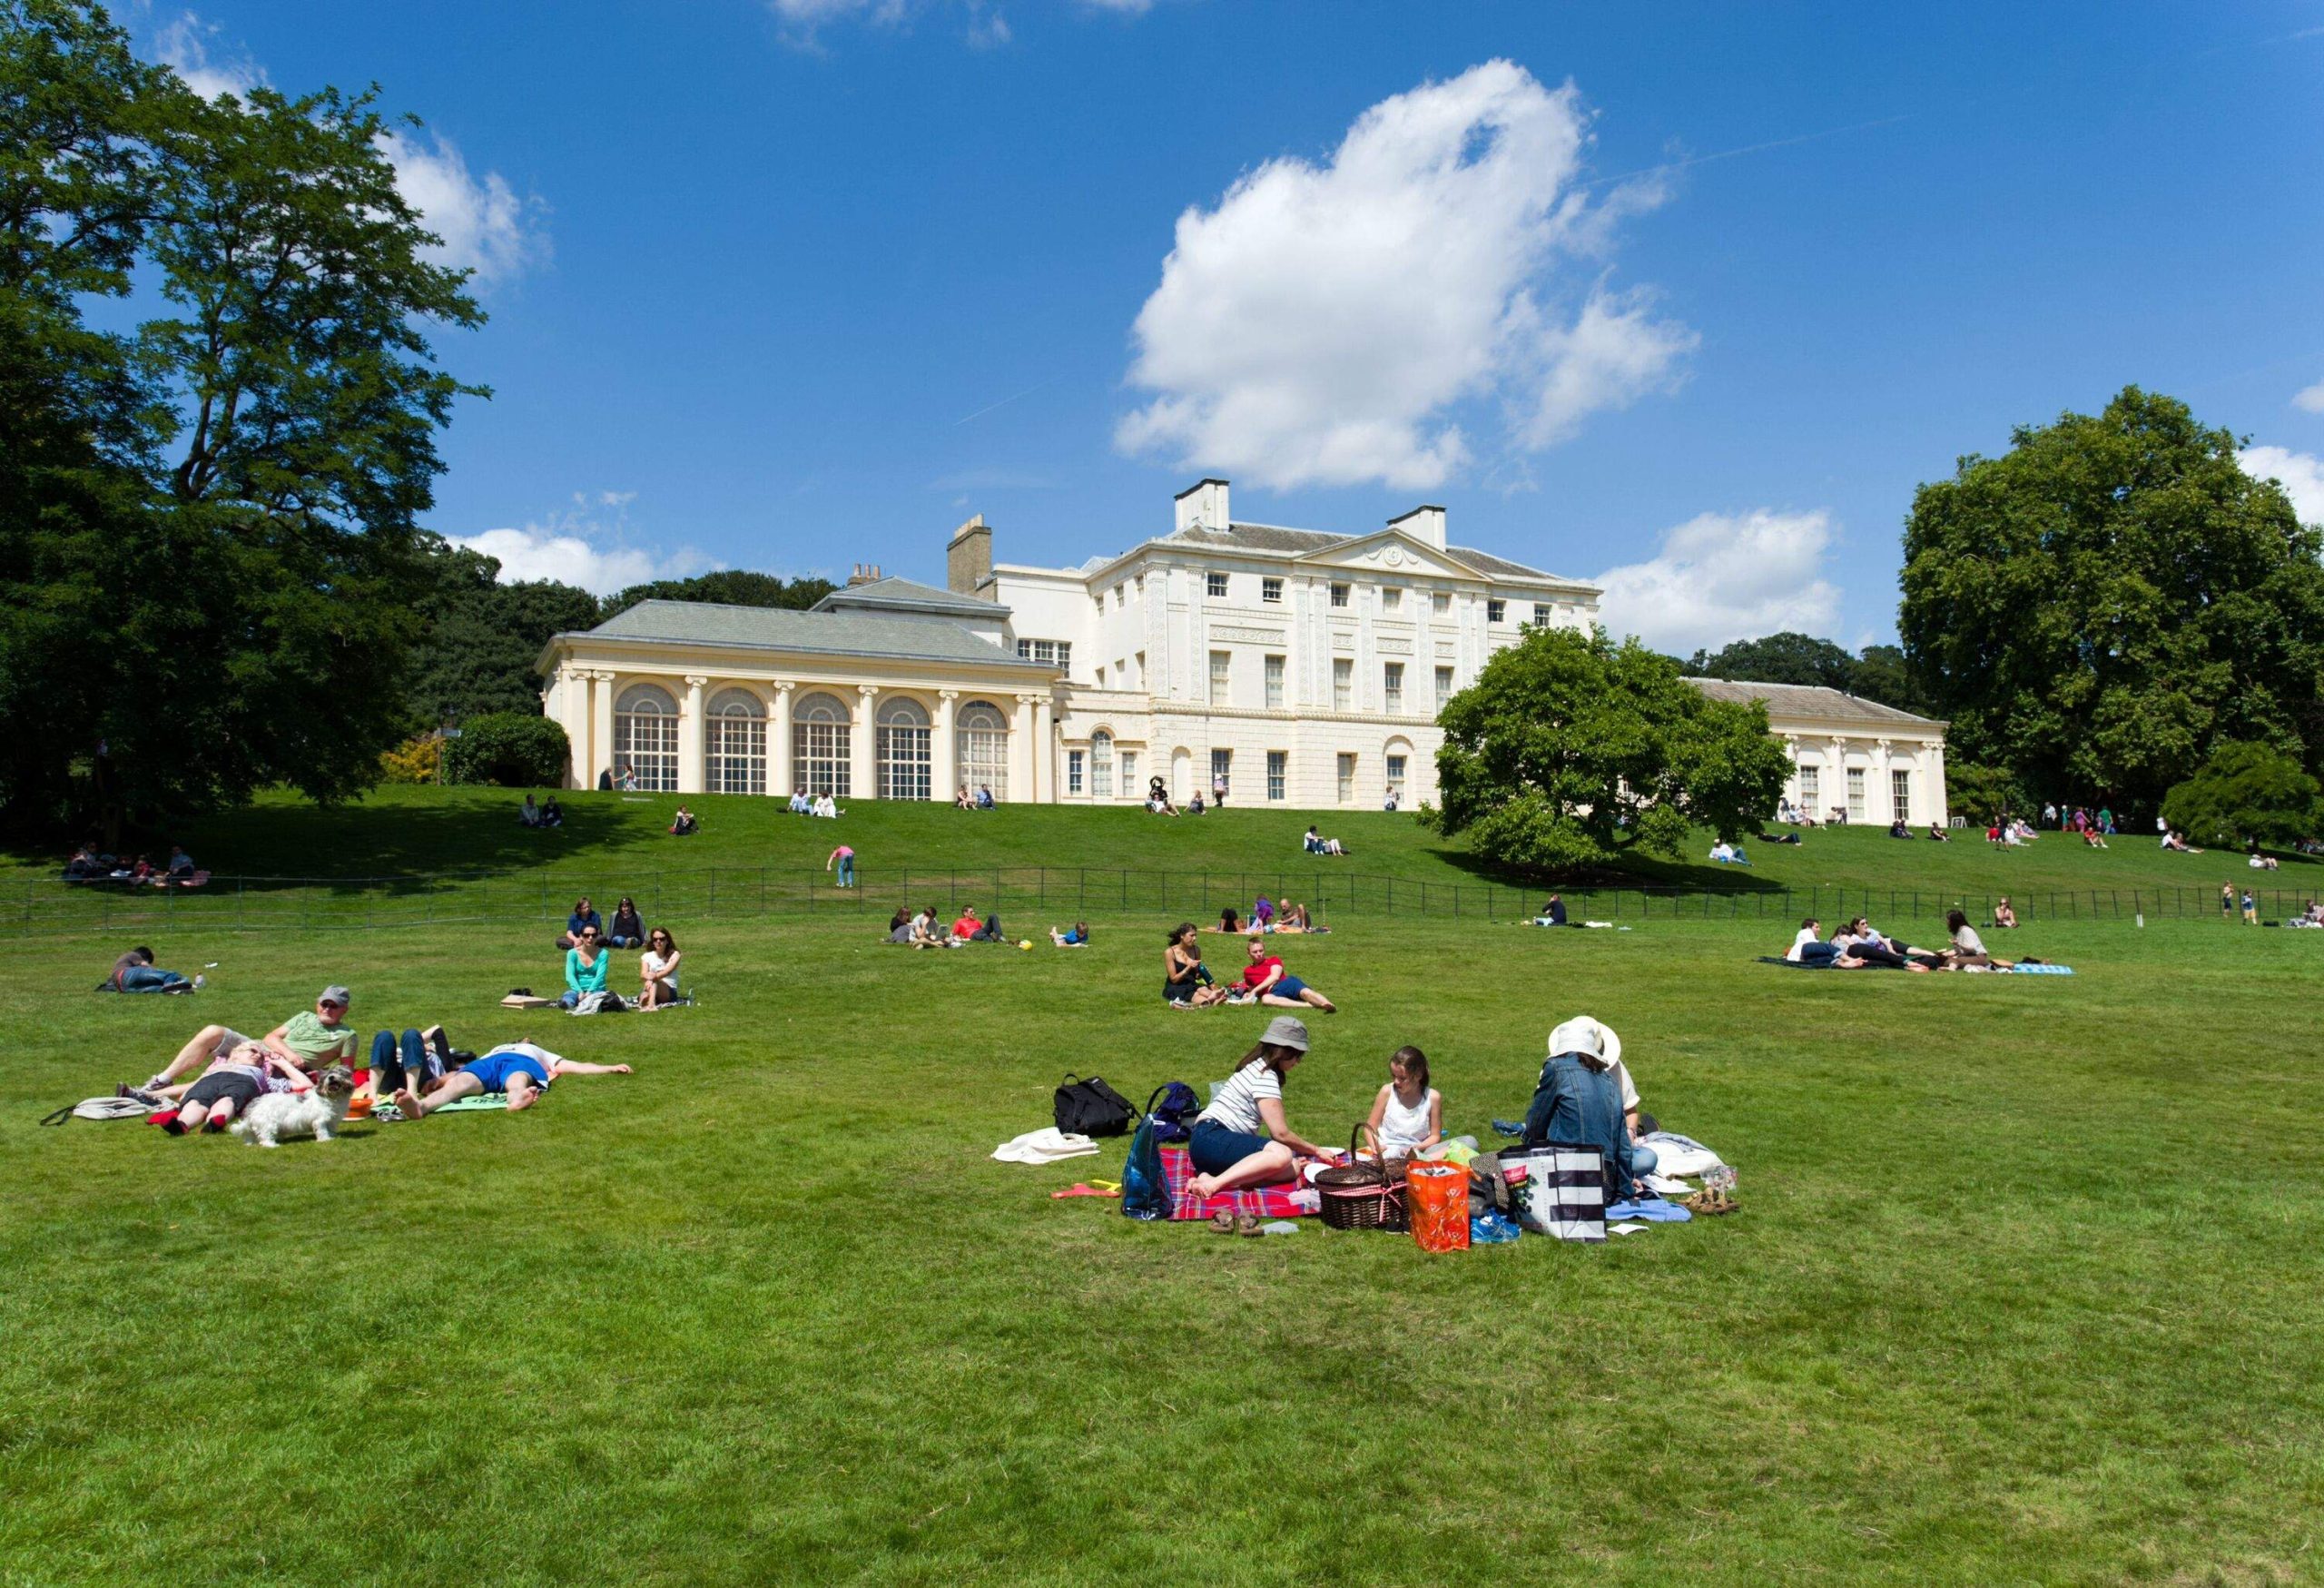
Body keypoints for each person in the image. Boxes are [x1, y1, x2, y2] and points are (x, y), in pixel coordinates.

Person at [1185, 1017, 1341, 1201]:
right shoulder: (1265, 1076)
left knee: (1291, 1168)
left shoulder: (1255, 1067)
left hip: (1206, 1147)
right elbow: (1280, 1133)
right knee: (1282, 1154)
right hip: (1212, 1137)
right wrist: (1316, 1150)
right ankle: (1213, 1185)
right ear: (1285, 1051)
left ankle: (1208, 1178)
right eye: (1298, 1055)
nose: (1298, 1062)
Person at [142, 985, 359, 1092]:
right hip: (260, 1048)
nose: (327, 1009)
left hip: (280, 1066)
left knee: (218, 1078)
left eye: (334, 1006)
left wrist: (315, 1073)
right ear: (318, 1004)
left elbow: (346, 1071)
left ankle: (153, 1094)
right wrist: (289, 1052)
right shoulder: (304, 1017)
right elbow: (271, 1036)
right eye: (325, 1004)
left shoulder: (347, 1036)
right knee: (213, 1031)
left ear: (344, 1010)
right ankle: (162, 1079)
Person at [1522, 1017, 1647, 1200]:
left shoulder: (1556, 1069)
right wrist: (1625, 1191)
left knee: (1485, 1164)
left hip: (1563, 1179)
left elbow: (1535, 1125)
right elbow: (1623, 1150)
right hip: (1603, 1190)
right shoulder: (1610, 1083)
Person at [396, 1041, 632, 1118]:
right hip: (488, 1063)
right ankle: (420, 1107)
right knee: (461, 1083)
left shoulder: (537, 1051)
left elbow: (576, 1066)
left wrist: (608, 1067)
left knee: (517, 1079)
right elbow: (459, 1073)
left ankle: (518, 1098)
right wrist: (438, 1080)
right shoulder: (496, 1047)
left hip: (521, 1063)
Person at [160, 1041, 316, 1135]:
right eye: (253, 1051)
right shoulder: (217, 1065)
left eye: (261, 1057)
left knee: (228, 1100)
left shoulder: (263, 1076)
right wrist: (186, 1096)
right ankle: (181, 1125)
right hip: (210, 1079)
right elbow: (198, 1082)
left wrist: (283, 1064)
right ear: (235, 1054)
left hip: (244, 1081)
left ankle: (213, 1123)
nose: (258, 1056)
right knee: (194, 1103)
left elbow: (306, 1085)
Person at [1364, 1045, 1443, 1162]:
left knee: (1469, 1142)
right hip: (1387, 1150)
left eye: (1402, 1078)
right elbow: (1369, 1128)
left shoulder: (1433, 1097)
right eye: (1393, 1075)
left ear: (1418, 1075)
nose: (1396, 1081)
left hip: (1417, 1151)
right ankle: (1420, 1165)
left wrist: (1417, 1148)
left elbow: (1435, 1136)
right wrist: (1376, 1147)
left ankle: (1419, 1161)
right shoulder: (1387, 1091)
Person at [1233, 934, 1335, 1011]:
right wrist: (1248, 993)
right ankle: (1308, 1005)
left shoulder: (1274, 960)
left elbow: (1275, 977)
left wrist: (1254, 991)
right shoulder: (1248, 971)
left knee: (1306, 993)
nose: (1259, 954)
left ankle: (1327, 1004)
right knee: (1265, 999)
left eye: (1261, 950)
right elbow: (1251, 987)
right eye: (1255, 952)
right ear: (1248, 954)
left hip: (1286, 983)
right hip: (1273, 993)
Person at [1164, 923, 1227, 1006]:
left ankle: (1218, 997)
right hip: (1177, 986)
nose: (1194, 938)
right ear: (1182, 936)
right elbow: (1174, 979)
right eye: (1191, 935)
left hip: (1191, 984)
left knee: (1202, 989)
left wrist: (1202, 973)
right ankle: (1211, 1001)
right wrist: (1188, 967)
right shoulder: (1170, 952)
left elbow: (1196, 975)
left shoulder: (1196, 950)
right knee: (1197, 996)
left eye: (1195, 935)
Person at [106, 945, 192, 993]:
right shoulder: (133, 954)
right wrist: (155, 971)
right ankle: (171, 985)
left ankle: (174, 990)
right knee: (171, 975)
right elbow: (145, 966)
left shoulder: (121, 962)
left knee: (157, 988)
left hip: (123, 988)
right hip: (127, 974)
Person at [1944, 909, 2010, 968]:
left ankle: (1951, 968)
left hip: (1978, 957)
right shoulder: (1958, 932)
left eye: (1948, 919)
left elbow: (1971, 948)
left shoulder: (1966, 930)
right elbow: (1959, 951)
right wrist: (1945, 954)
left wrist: (1959, 944)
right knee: (1944, 959)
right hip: (1969, 956)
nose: (1946, 921)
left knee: (1950, 961)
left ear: (1954, 921)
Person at [562, 927, 610, 1008]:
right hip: (577, 990)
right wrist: (580, 991)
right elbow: (570, 976)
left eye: (593, 935)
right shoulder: (572, 953)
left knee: (597, 1001)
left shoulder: (603, 954)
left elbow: (600, 977)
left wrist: (589, 992)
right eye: (586, 935)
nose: (590, 938)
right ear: (581, 936)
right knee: (568, 999)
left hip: (596, 990)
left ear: (597, 936)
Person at [639, 928, 684, 1009]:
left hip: (668, 990)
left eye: (662, 939)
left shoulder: (675, 955)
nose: (658, 941)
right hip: (650, 986)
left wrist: (652, 977)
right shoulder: (647, 956)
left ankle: (651, 1005)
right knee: (643, 997)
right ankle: (649, 1000)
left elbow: (667, 972)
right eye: (655, 939)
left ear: (667, 940)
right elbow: (643, 974)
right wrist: (650, 977)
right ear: (653, 942)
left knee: (655, 980)